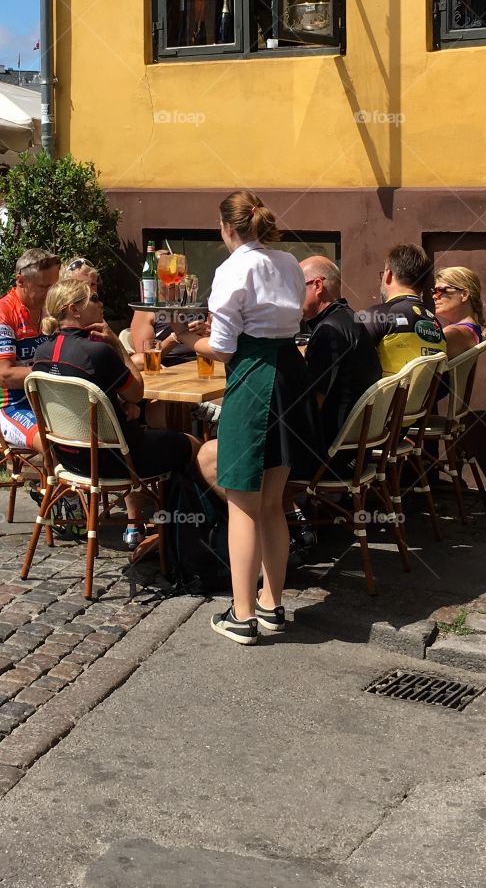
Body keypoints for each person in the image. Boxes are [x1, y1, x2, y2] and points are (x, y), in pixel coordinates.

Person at [193, 190, 320, 646]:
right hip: (289, 375)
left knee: (242, 503)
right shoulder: (288, 261)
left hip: (254, 379)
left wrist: (196, 344)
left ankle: (242, 615)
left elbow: (224, 347)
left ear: (226, 227)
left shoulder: (232, 268)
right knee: (272, 503)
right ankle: (271, 606)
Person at [33, 278, 198, 549]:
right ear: (74, 309)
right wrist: (117, 346)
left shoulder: (41, 353)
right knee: (192, 445)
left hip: (68, 459)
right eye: (94, 300)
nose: (102, 304)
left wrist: (116, 406)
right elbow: (136, 393)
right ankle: (184, 534)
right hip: (116, 460)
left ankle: (158, 526)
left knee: (145, 427)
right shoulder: (98, 351)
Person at [300, 255, 382, 456]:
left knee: (214, 454)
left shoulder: (329, 331)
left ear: (317, 286)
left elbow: (311, 407)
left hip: (329, 454)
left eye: (295, 286)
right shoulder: (350, 319)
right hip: (356, 449)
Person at [0, 249, 61, 450]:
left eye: (54, 286)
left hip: (46, 400)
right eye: (44, 286)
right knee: (56, 446)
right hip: (10, 407)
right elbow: (5, 375)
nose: (51, 293)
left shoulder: (48, 309)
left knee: (92, 432)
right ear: (21, 281)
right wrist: (56, 371)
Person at [359, 244, 446, 375]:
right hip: (423, 395)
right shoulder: (435, 325)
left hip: (383, 395)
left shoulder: (374, 317)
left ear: (388, 274)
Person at [432, 266, 486, 358]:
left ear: (464, 295)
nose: (434, 296)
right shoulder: (471, 331)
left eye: (440, 291)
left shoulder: (456, 333)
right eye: (434, 291)